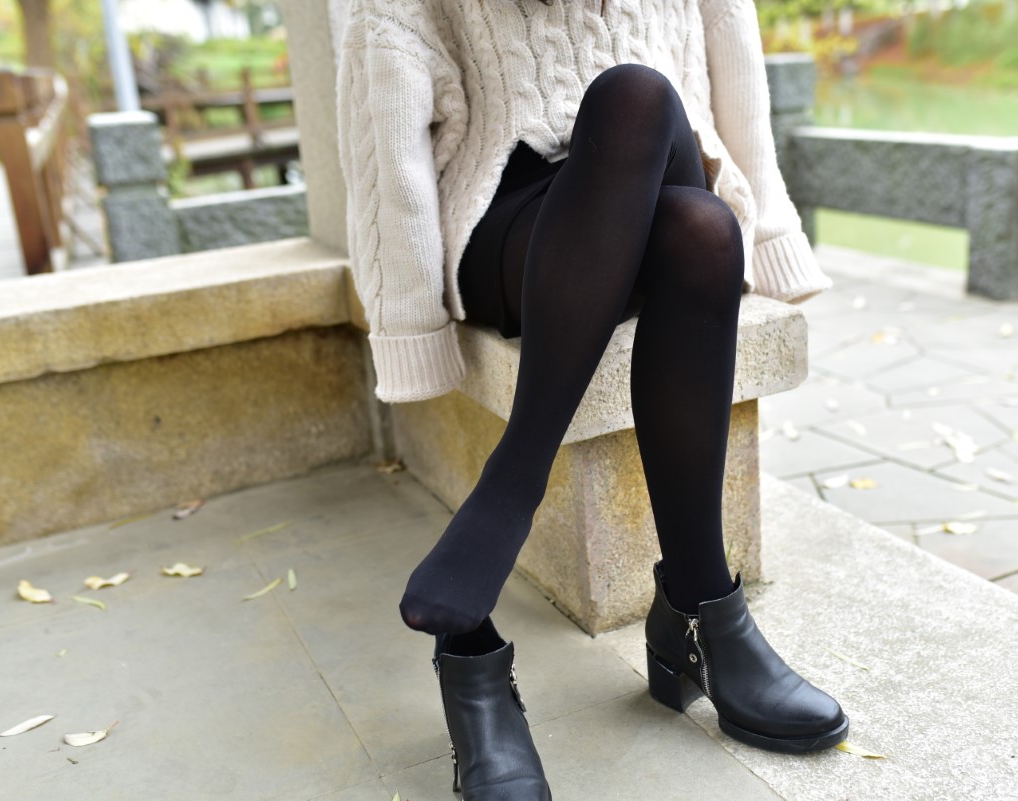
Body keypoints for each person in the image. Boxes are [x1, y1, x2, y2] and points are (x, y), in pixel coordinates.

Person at [337, 1, 847, 797]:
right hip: (512, 212)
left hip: (663, 159)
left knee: (648, 115)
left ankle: (513, 488)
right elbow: (383, 100)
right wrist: (409, 322)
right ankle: (699, 609)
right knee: (692, 213)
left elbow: (735, 60)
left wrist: (774, 235)